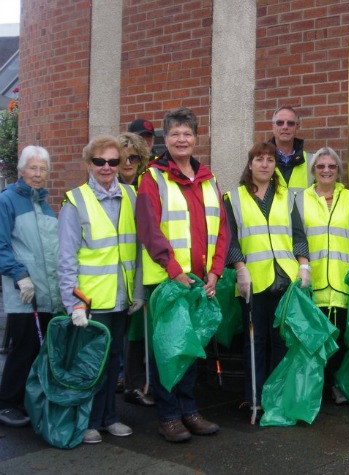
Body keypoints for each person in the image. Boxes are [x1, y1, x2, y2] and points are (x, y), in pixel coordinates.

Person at [136, 107, 228, 442]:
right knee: (169, 349)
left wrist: (216, 271)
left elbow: (222, 230)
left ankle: (189, 411)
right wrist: (173, 271)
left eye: (187, 133)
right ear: (166, 139)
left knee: (190, 349)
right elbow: (149, 230)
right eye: (175, 134)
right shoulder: (153, 177)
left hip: (199, 281)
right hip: (167, 281)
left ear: (196, 137)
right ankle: (169, 416)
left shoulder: (208, 178)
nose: (181, 139)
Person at [58, 136, 143, 444]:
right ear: (89, 164)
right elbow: (66, 260)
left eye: (113, 162)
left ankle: (109, 417)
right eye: (99, 161)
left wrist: (138, 293)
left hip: (122, 300)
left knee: (112, 362)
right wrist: (75, 304)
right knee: (90, 365)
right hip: (91, 303)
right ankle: (89, 421)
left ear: (121, 164)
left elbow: (137, 249)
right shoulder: (75, 201)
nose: (106, 167)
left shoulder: (131, 196)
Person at [224, 141, 310, 422]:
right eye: (259, 159)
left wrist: (304, 265)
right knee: (254, 341)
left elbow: (298, 234)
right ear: (250, 165)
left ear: (275, 166)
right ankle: (255, 399)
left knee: (281, 341)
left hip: (284, 279)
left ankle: (277, 396)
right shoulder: (234, 197)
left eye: (270, 160)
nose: (264, 164)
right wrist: (239, 267)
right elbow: (229, 238)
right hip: (253, 282)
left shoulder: (286, 196)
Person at [296, 147, 349, 405]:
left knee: (339, 340)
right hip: (311, 282)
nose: (326, 170)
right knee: (314, 339)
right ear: (313, 171)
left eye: (332, 166)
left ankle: (336, 385)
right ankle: (317, 387)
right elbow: (296, 238)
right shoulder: (299, 199)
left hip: (343, 281)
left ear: (339, 171)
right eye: (320, 166)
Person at [0, 146, 62, 428]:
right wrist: (19, 275)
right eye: (33, 168)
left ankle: (27, 397)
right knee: (23, 347)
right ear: (22, 170)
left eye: (42, 169)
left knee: (40, 348)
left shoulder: (46, 205)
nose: (37, 174)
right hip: (23, 291)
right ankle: (7, 403)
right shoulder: (8, 201)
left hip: (48, 291)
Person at [116, 132, 154, 407]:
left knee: (137, 333)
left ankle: (134, 384)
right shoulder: (105, 185)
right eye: (122, 157)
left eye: (134, 157)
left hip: (142, 268)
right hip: (111, 273)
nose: (128, 162)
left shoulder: (146, 186)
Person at [270, 105, 311, 196]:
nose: (285, 127)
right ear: (273, 127)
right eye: (280, 123)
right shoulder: (259, 160)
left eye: (290, 123)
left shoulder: (311, 162)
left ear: (297, 128)